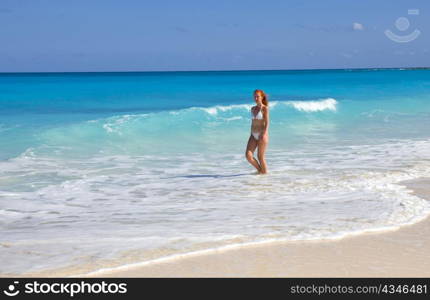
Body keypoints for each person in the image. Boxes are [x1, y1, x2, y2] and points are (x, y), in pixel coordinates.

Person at [245, 89, 269, 174]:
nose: (255, 98)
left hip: (261, 135)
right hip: (253, 135)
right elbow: (253, 122)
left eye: (257, 96)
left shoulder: (264, 108)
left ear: (262, 97)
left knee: (260, 157)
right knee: (248, 156)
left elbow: (267, 122)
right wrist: (251, 133)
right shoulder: (252, 108)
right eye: (254, 96)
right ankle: (260, 171)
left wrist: (264, 134)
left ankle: (265, 176)